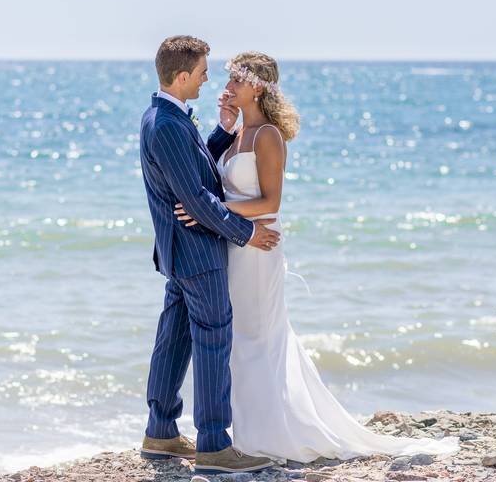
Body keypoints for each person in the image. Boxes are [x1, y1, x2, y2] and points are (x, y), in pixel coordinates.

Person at [174, 51, 460, 463]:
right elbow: (216, 183)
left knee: (258, 338)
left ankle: (268, 436)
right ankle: (249, 431)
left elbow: (270, 202)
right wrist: (222, 135)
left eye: (236, 80)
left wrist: (210, 209)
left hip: (258, 250)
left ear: (256, 87)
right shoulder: (237, 134)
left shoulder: (268, 136)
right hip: (236, 249)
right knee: (240, 340)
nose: (227, 87)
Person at [137, 35, 279, 474]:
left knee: (174, 340)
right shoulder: (166, 124)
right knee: (214, 340)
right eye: (201, 72)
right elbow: (197, 200)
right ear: (182, 76)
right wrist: (246, 232)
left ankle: (160, 433)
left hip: (179, 253)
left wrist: (222, 131)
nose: (207, 79)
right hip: (197, 254)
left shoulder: (165, 117)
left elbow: (196, 167)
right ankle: (215, 445)